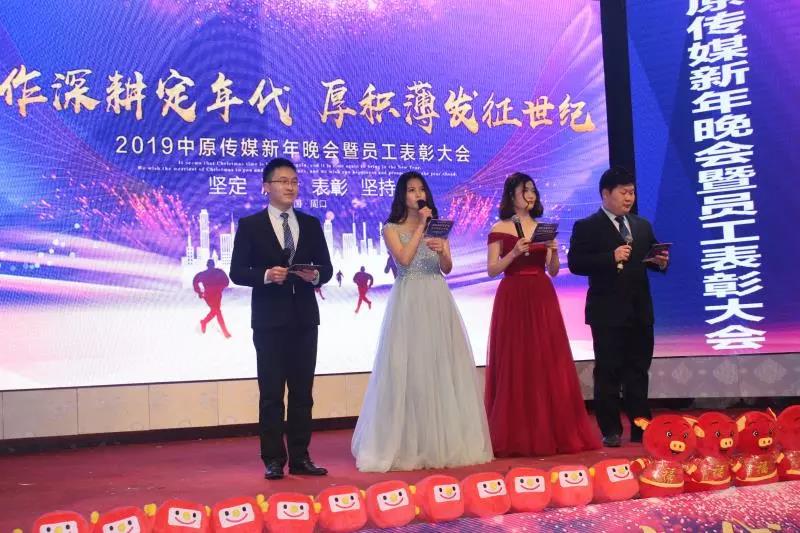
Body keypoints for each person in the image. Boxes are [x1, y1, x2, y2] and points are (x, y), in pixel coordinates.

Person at [351, 171, 493, 472]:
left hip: (437, 298)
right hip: (409, 299)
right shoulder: (390, 228)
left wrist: (442, 251)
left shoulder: (437, 228)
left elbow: (447, 268)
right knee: (410, 368)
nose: (418, 194)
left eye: (421, 189)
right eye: (411, 190)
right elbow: (403, 259)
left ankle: (441, 441)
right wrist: (420, 228)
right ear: (403, 196)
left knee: (440, 366)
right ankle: (407, 443)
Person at [230, 157, 333, 479]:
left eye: (294, 181)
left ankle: (301, 458)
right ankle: (273, 459)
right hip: (269, 320)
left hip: (305, 319)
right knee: (272, 393)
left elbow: (327, 268)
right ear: (266, 187)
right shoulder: (251, 225)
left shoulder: (311, 224)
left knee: (303, 393)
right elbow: (237, 271)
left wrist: (314, 275)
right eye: (283, 181)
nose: (290, 187)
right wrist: (266, 275)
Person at [485, 172, 601, 457]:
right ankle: (516, 434)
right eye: (524, 190)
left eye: (533, 190)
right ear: (511, 195)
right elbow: (492, 270)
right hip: (512, 295)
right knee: (516, 360)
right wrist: (514, 254)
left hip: (541, 295)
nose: (530, 195)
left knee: (545, 358)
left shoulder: (542, 227)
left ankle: (551, 430)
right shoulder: (499, 227)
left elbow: (553, 270)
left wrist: (554, 252)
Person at [568, 166, 669, 447]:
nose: (629, 198)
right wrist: (610, 257)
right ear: (605, 194)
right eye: (623, 192)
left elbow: (652, 255)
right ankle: (610, 429)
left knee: (638, 370)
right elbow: (576, 263)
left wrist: (661, 262)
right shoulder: (587, 226)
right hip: (607, 313)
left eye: (632, 192)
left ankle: (641, 427)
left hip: (640, 311)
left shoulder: (641, 225)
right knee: (608, 371)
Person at [193, 258, 231, 338]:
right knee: (217, 311)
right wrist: (200, 292)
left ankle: (204, 322)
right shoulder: (218, 272)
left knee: (215, 311)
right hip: (211, 295)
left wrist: (200, 292)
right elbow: (226, 282)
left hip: (213, 295)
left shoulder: (204, 274)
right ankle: (225, 332)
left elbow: (226, 282)